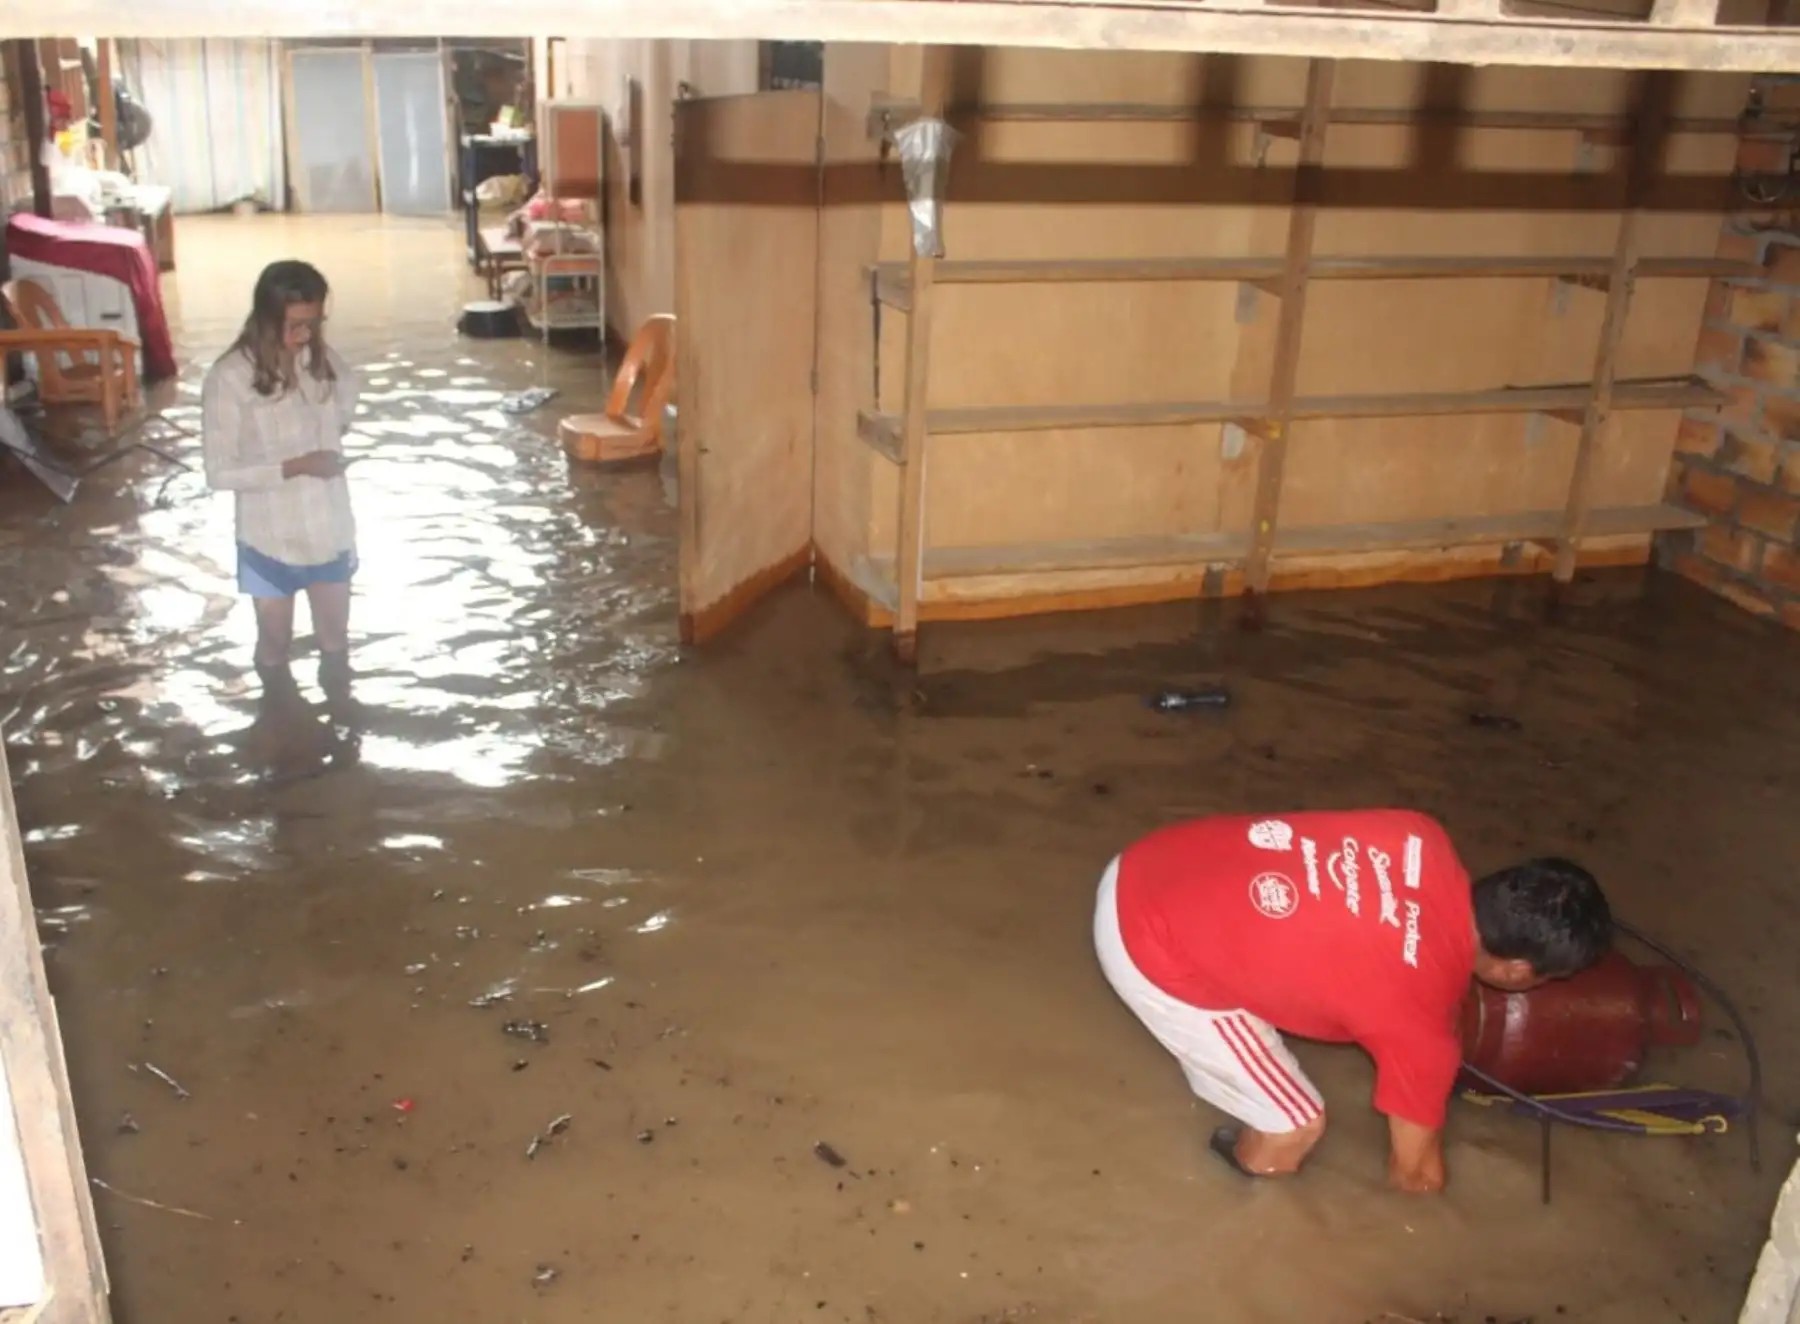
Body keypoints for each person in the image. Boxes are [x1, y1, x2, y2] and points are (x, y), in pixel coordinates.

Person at [1093, 810, 1610, 1194]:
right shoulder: (1421, 1032)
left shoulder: (1419, 835)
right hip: (1146, 941)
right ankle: (1240, 1189)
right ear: (1515, 971)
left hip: (1155, 859)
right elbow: (1415, 1176)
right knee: (1294, 1123)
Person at [201, 261, 360, 702]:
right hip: (268, 539)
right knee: (274, 646)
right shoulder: (229, 378)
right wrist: (297, 465)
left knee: (336, 645)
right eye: (295, 324)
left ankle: (343, 724)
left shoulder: (321, 363)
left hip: (328, 530)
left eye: (314, 322)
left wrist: (330, 441)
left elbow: (348, 397)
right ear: (267, 318)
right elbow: (218, 472)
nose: (306, 335)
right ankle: (278, 720)